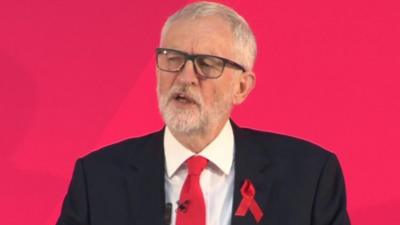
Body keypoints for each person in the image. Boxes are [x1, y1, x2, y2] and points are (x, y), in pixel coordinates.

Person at [56, 2, 351, 225]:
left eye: (207, 64)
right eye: (173, 58)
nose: (186, 77)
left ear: (242, 87)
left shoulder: (308, 178)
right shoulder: (97, 179)